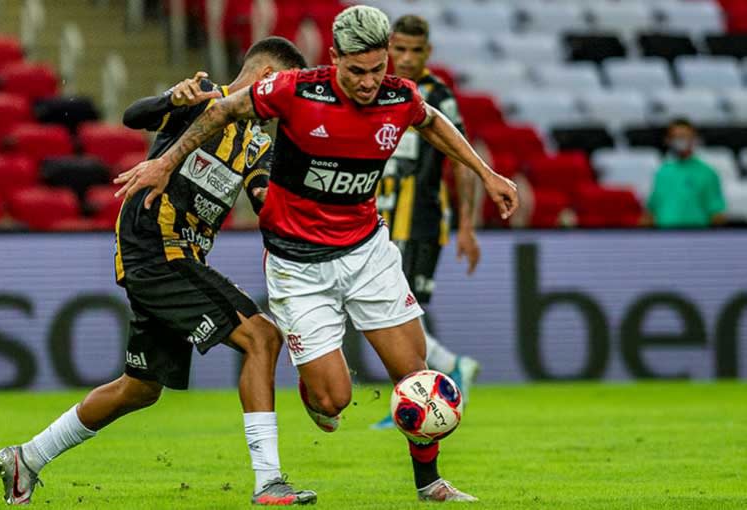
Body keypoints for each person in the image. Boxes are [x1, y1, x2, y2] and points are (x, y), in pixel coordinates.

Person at [115, 5, 518, 502]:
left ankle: (429, 482)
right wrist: (166, 162)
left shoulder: (398, 96)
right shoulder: (296, 90)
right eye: (356, 71)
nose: (369, 82)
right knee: (334, 401)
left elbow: (430, 120)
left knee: (416, 377)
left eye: (377, 69)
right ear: (335, 60)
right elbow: (221, 110)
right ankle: (318, 390)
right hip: (299, 266)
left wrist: (486, 173)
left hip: (367, 253)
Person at [0, 37, 317, 506]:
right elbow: (134, 117)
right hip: (157, 247)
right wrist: (170, 98)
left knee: (140, 388)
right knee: (261, 338)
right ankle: (269, 482)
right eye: (283, 88)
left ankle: (27, 458)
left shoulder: (259, 143)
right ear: (266, 76)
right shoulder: (205, 97)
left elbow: (266, 199)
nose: (281, 104)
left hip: (180, 256)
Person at [372, 14, 481, 430]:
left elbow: (463, 162)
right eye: (399, 49)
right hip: (377, 221)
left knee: (400, 316)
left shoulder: (438, 95)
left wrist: (467, 226)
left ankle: (424, 388)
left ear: (428, 52)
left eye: (415, 51)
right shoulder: (374, 90)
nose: (406, 58)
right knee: (388, 313)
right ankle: (450, 370)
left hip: (419, 223)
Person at [644, 118, 727, 228]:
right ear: (668, 140)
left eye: (684, 136)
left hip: (696, 237)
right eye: (676, 137)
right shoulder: (661, 172)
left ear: (694, 139)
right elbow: (652, 210)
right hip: (664, 237)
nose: (680, 140)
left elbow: (716, 213)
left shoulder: (707, 173)